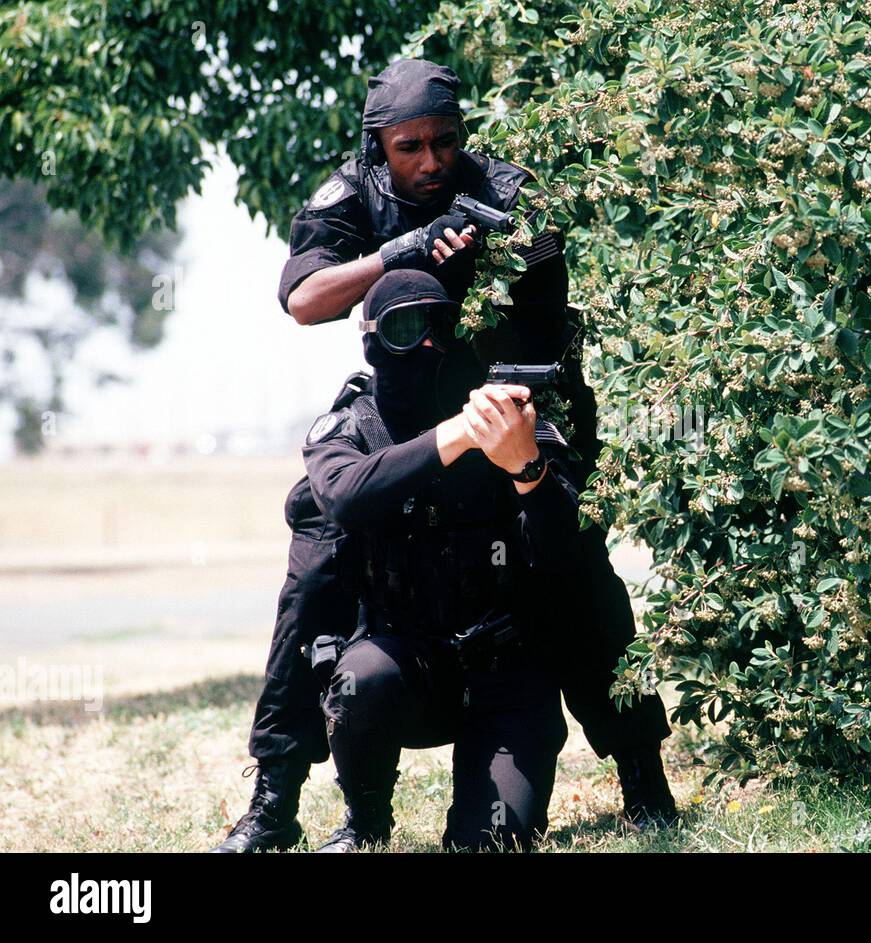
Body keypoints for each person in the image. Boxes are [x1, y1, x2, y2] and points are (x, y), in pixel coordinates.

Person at [211, 58, 674, 853]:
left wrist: (519, 441)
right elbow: (303, 300)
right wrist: (404, 253)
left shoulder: (508, 195)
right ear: (377, 146)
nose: (429, 161)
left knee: (572, 565)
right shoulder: (352, 196)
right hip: (403, 399)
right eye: (409, 147)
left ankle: (643, 778)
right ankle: (273, 802)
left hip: (511, 395)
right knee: (317, 561)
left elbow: (543, 336)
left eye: (444, 143)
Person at [306, 270, 577, 851]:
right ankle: (366, 820)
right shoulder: (350, 427)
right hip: (409, 670)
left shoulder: (510, 419)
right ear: (373, 340)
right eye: (408, 327)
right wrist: (457, 435)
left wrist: (526, 467)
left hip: (507, 673)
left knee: (491, 843)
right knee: (359, 679)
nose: (429, 343)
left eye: (443, 325)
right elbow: (345, 495)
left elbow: (565, 553)